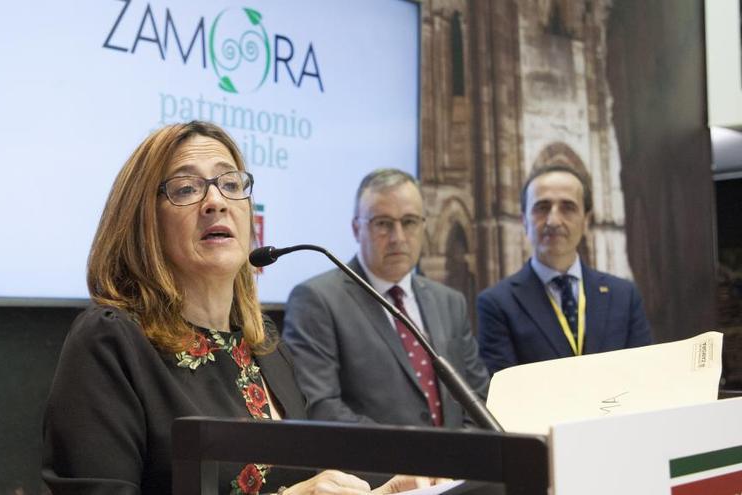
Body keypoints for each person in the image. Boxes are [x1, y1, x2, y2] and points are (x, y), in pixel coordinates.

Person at [41, 122, 439, 495]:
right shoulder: (111, 341)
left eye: (231, 184)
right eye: (185, 189)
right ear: (144, 221)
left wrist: (383, 492)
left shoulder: (265, 347)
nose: (216, 201)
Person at [282, 168, 490, 428]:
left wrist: (456, 462)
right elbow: (321, 407)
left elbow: (480, 399)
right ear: (357, 229)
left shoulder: (449, 302)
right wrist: (411, 464)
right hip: (377, 467)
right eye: (383, 223)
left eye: (410, 222)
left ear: (424, 226)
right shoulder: (316, 300)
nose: (398, 237)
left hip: (457, 467)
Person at [476, 163, 652, 375]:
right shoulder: (497, 304)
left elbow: (643, 376)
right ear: (524, 220)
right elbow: (506, 394)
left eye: (568, 207)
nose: (553, 220)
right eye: (542, 208)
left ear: (586, 220)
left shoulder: (624, 296)